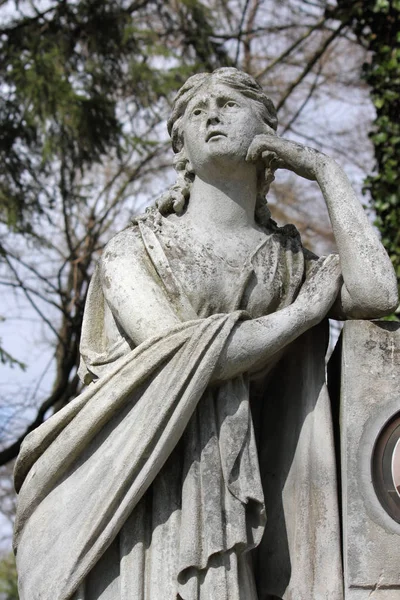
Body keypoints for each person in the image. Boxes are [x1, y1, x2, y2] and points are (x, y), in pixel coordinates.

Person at [13, 68, 398, 600]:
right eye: (198, 110)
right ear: (182, 150)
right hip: (146, 499)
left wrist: (324, 171)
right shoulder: (136, 250)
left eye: (229, 104)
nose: (212, 113)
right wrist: (298, 317)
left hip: (246, 502)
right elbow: (185, 360)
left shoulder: (288, 263)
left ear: (268, 137)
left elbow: (378, 295)